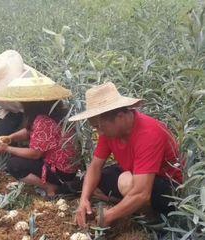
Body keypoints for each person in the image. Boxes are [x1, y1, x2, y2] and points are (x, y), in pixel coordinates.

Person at [68, 82, 183, 228]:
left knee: (126, 182)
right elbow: (95, 166)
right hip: (137, 174)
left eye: (100, 127)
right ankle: (126, 204)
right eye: (96, 128)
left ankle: (151, 221)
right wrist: (84, 199)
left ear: (120, 116)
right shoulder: (109, 132)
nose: (99, 133)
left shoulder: (149, 134)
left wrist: (109, 216)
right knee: (94, 181)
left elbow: (142, 193)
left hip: (169, 188)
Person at [0, 68, 80, 198]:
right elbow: (29, 132)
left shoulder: (43, 120)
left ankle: (51, 187)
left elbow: (35, 153)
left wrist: (7, 148)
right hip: (68, 168)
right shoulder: (55, 112)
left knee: (14, 165)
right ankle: (51, 183)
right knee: (19, 154)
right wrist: (9, 138)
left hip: (60, 172)